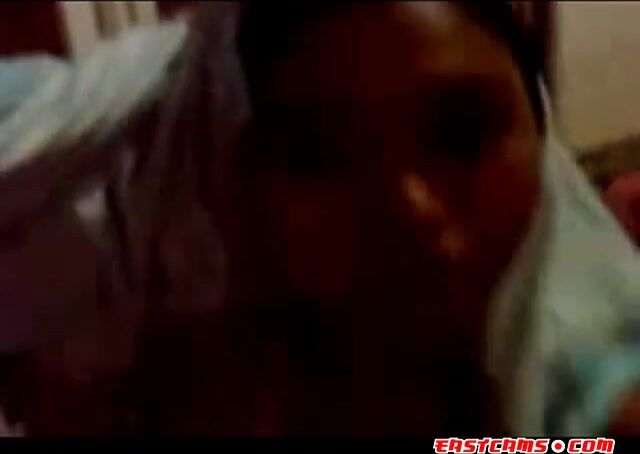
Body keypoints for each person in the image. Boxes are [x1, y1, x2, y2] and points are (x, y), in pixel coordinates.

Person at [0, 1, 638, 436]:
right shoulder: (176, 388)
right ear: (246, 187)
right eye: (319, 153)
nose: (408, 209)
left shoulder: (589, 405)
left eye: (461, 134)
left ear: (542, 138)